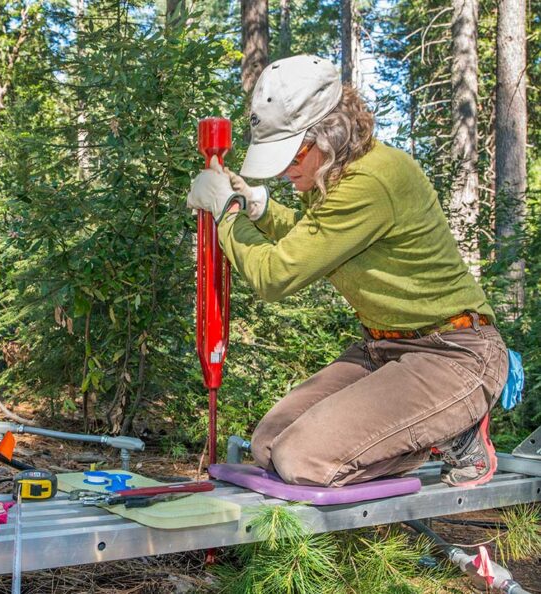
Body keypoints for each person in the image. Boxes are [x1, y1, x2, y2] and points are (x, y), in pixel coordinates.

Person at [186, 55, 508, 489]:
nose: (283, 169)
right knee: (268, 445)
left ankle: (452, 430)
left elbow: (275, 275)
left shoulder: (369, 182)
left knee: (301, 460)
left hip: (453, 354)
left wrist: (226, 212)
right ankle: (414, 428)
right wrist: (255, 207)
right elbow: (316, 238)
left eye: (293, 152)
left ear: (331, 134)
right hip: (385, 350)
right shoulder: (335, 175)